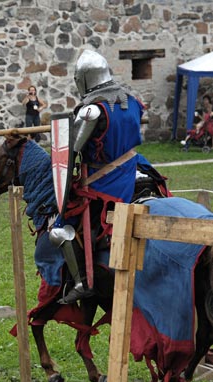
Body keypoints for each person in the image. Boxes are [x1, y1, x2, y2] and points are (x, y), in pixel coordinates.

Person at [49, 49, 167, 304]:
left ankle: (82, 281)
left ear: (84, 78)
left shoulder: (91, 110)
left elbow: (70, 152)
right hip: (136, 168)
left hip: (105, 181)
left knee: (60, 228)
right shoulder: (132, 100)